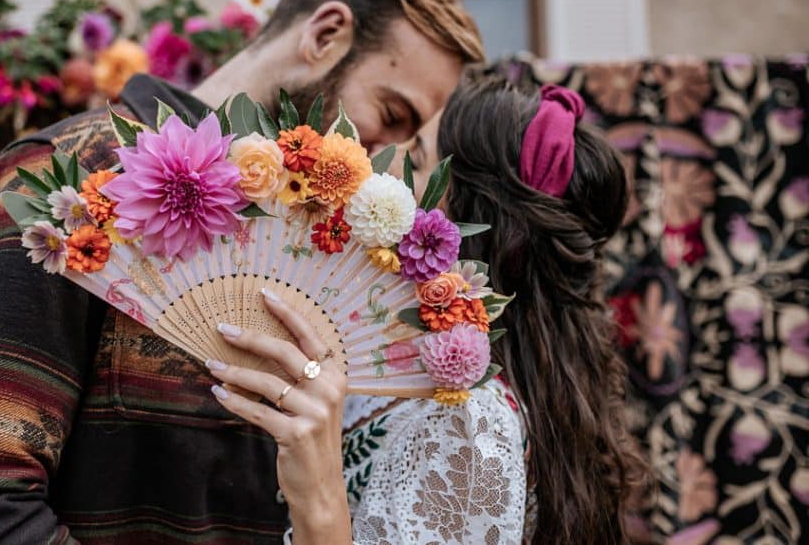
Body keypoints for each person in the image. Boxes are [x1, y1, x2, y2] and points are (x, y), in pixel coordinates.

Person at [0, 0, 483, 544]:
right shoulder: (65, 180)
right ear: (325, 34)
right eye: (391, 112)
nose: (388, 156)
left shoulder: (310, 253)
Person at [211, 75, 648, 543]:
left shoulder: (470, 425)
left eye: (416, 155)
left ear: (458, 224)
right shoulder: (393, 362)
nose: (385, 156)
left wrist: (318, 500)